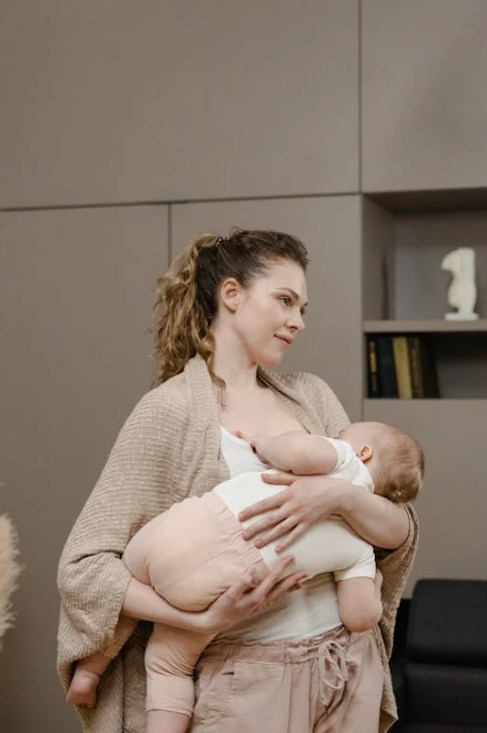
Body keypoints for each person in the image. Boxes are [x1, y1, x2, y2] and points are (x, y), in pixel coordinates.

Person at [56, 229, 419, 733]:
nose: (298, 322)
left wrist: (333, 495)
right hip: (243, 680)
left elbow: (397, 528)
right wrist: (193, 621)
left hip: (347, 664)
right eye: (285, 301)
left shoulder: (311, 396)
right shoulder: (170, 412)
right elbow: (85, 569)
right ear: (231, 294)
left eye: (304, 308)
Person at [65, 420, 424, 733]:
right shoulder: (361, 546)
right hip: (227, 587)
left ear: (362, 452)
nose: (334, 434)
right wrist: (374, 585)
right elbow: (360, 616)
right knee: (169, 666)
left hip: (184, 531)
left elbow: (297, 450)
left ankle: (90, 671)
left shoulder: (342, 458)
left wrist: (264, 443)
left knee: (130, 577)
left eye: (343, 433)